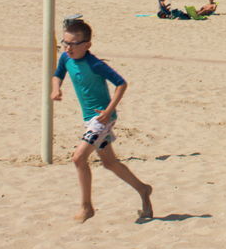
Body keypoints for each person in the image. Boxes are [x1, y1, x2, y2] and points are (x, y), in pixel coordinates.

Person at [51, 17, 153, 222]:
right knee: (109, 163)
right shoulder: (65, 58)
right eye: (65, 42)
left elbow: (121, 84)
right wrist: (56, 89)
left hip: (101, 119)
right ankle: (143, 189)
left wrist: (108, 111)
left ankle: (86, 207)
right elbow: (58, 74)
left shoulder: (94, 64)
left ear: (87, 45)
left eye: (72, 44)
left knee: (78, 157)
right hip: (90, 119)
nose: (68, 48)